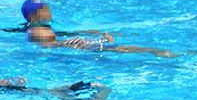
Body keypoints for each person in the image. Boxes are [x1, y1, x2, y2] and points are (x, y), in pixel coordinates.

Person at [27, 25, 177, 58]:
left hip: (88, 45)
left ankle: (154, 51)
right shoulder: (54, 45)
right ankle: (154, 51)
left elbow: (87, 33)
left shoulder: (59, 42)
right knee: (120, 48)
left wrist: (103, 35)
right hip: (86, 47)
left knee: (120, 48)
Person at [3, 0, 102, 36]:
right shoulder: (37, 29)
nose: (49, 13)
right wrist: (84, 33)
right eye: (45, 10)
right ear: (32, 16)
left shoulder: (36, 25)